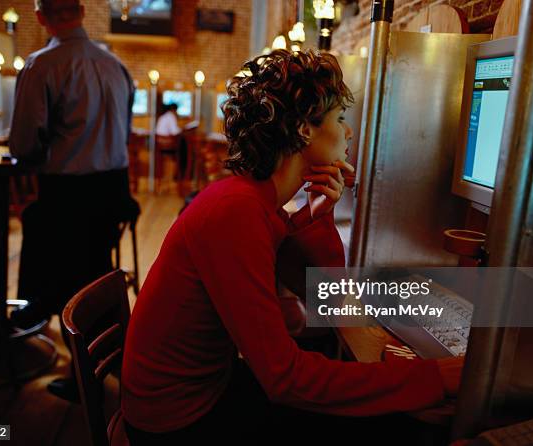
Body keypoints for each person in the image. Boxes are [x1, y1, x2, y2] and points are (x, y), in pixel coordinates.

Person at [121, 49, 462, 440]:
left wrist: (315, 215)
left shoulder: (255, 202)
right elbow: (285, 379)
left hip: (205, 391)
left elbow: (324, 293)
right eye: (340, 118)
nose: (349, 132)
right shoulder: (236, 212)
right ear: (304, 129)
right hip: (178, 420)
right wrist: (433, 375)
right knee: (393, 426)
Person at [8, 0, 137, 401]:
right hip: (116, 193)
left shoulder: (41, 65)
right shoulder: (116, 66)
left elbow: (24, 144)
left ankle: (47, 318)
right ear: (82, 12)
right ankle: (65, 315)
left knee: (43, 230)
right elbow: (125, 129)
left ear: (40, 16)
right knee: (86, 260)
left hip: (70, 197)